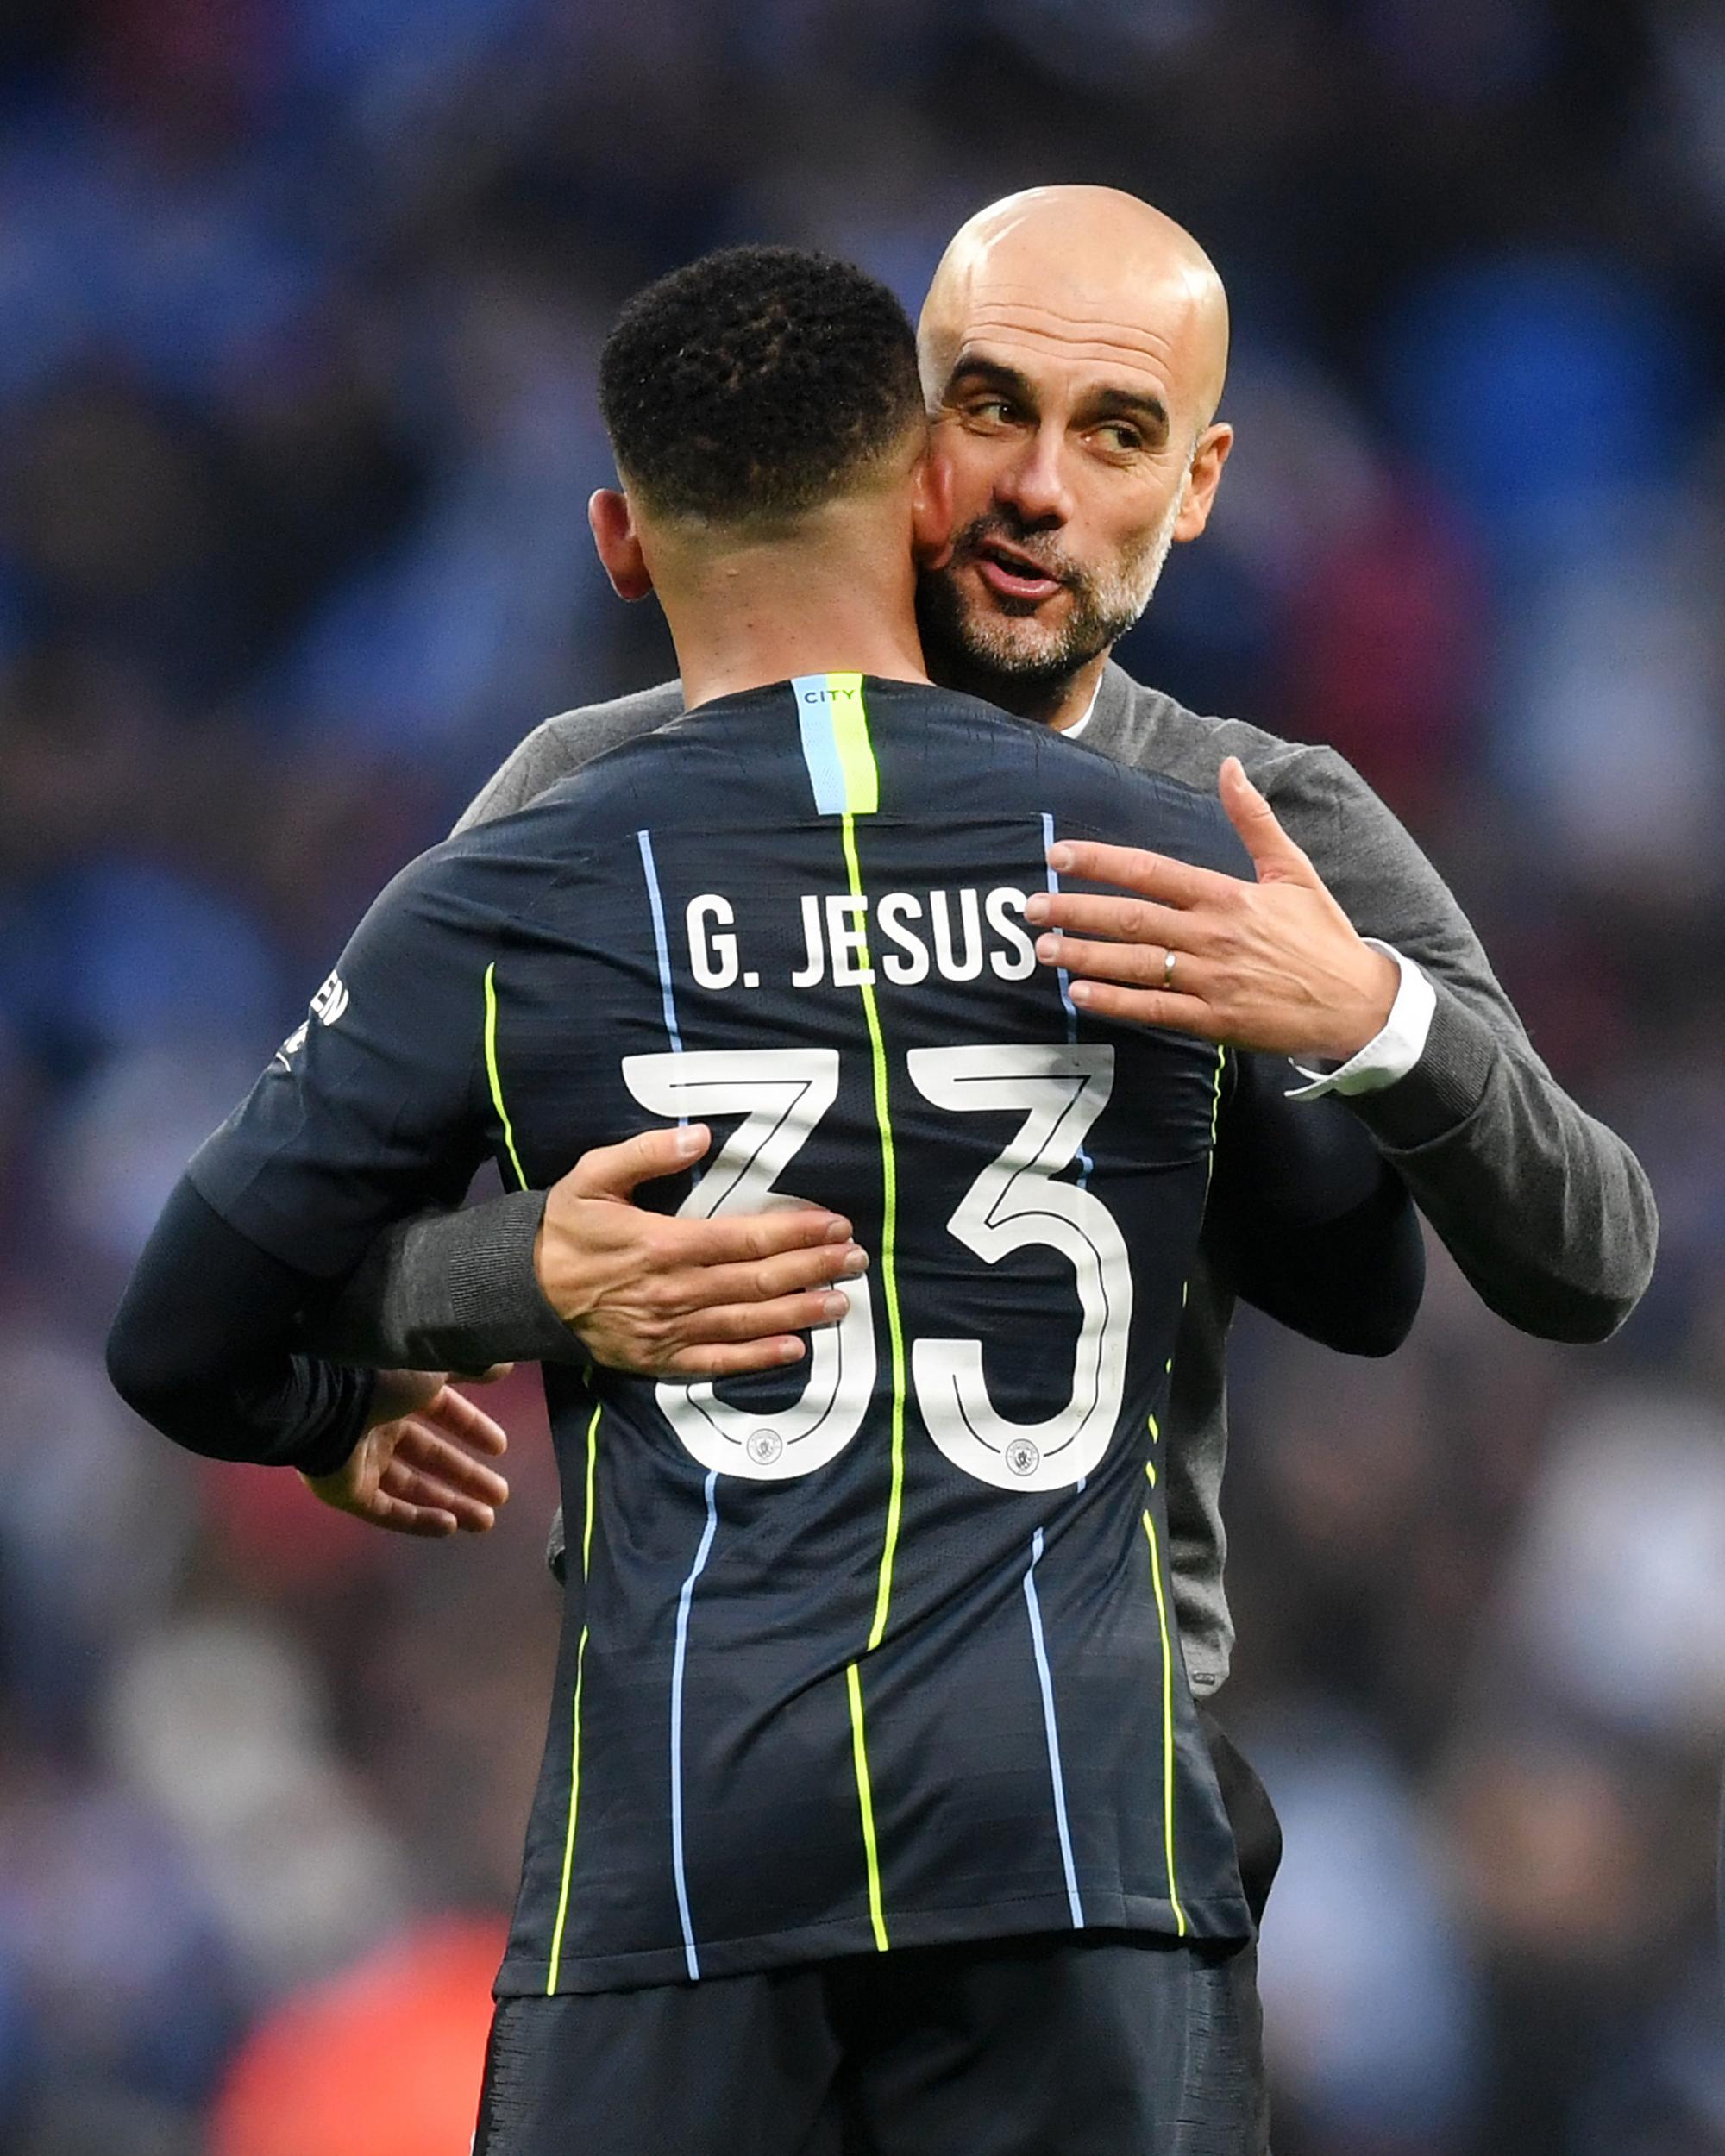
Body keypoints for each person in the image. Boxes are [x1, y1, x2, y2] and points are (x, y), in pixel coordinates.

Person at [298, 185, 1657, 2149]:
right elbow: (290, 1233)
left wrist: (1361, 1006)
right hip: (704, 1837)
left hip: (1074, 1845)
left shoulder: (1263, 824)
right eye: (984, 408)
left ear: (1194, 489)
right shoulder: (605, 793)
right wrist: (466, 1302)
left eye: (1110, 435)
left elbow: (1589, 1249)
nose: (1031, 487)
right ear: (895, 437)